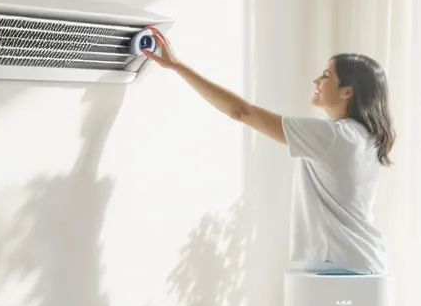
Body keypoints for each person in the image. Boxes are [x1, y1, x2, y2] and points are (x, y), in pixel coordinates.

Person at [141, 27, 395, 275]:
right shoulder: (364, 137)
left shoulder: (333, 136)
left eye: (326, 76)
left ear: (347, 92)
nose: (316, 80)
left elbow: (242, 112)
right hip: (366, 261)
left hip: (342, 263)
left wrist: (176, 65)